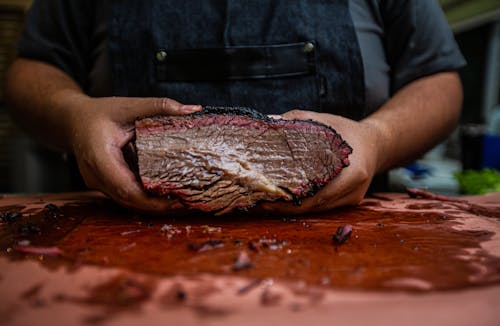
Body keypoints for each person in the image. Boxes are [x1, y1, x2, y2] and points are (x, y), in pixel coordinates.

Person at [5, 0, 465, 214]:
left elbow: (439, 80)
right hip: (116, 249)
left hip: (350, 253)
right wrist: (72, 115)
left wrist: (379, 140)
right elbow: (32, 72)